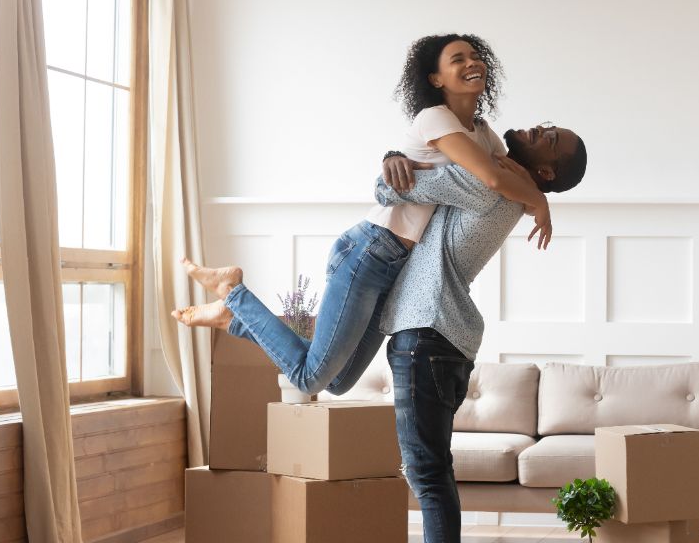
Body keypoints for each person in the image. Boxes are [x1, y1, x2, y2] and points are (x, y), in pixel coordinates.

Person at [172, 33, 552, 397]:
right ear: (436, 79)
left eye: (475, 56)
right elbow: (492, 179)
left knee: (338, 382)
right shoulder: (436, 118)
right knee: (309, 379)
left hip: (396, 267)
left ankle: (233, 319)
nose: (472, 63)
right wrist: (540, 202)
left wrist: (527, 189)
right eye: (458, 59)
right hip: (371, 251)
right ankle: (234, 293)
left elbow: (509, 174)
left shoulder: (482, 133)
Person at [377, 124, 588, 543]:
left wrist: (392, 160)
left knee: (427, 474)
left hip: (427, 332)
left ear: (546, 172)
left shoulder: (488, 181)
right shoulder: (506, 186)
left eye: (549, 139)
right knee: (434, 472)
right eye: (549, 126)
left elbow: (387, 190)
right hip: (444, 340)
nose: (540, 128)